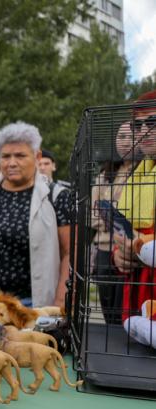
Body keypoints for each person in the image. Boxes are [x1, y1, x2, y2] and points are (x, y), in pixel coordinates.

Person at [0, 122, 72, 328]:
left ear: (37, 156)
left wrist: (60, 302)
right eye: (6, 156)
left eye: (20, 155)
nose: (12, 163)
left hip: (29, 309)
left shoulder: (56, 197)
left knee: (26, 350)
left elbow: (70, 252)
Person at [113, 90, 156, 322]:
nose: (144, 131)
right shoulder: (140, 173)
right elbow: (124, 231)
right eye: (138, 125)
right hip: (138, 292)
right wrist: (119, 257)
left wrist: (141, 245)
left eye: (152, 122)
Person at [88, 121, 135, 324]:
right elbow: (92, 213)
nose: (125, 142)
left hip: (129, 249)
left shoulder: (143, 172)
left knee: (125, 309)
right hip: (104, 248)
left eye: (130, 136)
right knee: (108, 310)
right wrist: (111, 220)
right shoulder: (105, 174)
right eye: (121, 137)